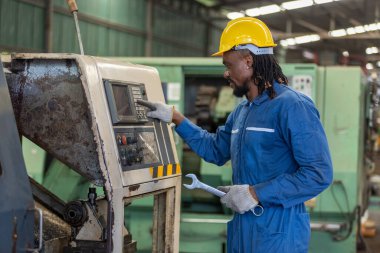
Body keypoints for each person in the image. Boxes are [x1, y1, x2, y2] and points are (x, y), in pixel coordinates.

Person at [138, 17, 333, 253]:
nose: (225, 73)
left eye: (228, 65)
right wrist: (176, 118)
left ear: (248, 61)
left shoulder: (293, 106)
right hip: (242, 231)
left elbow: (318, 174)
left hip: (278, 235)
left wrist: (255, 193)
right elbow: (216, 151)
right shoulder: (242, 111)